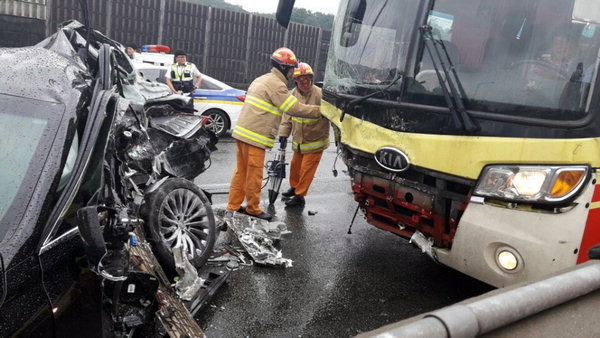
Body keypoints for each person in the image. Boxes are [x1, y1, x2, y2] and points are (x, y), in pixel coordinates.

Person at [226, 48, 322, 221]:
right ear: (284, 67)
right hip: (255, 137)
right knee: (254, 174)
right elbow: (292, 108)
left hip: (242, 133)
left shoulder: (262, 79)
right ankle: (253, 208)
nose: (293, 72)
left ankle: (233, 205)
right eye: (292, 68)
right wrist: (318, 111)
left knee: (241, 171)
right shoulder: (276, 85)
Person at [278, 62, 330, 207]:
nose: (305, 83)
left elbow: (333, 115)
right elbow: (287, 117)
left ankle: (300, 196)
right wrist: (283, 134)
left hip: (315, 141)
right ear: (296, 81)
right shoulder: (292, 94)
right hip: (299, 141)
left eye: (308, 80)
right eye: (302, 80)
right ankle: (294, 187)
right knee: (295, 166)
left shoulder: (320, 95)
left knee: (307, 170)